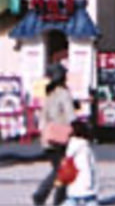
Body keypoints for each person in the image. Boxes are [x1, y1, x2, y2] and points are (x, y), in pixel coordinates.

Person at [33, 63, 75, 206]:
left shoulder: (49, 93)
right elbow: (70, 116)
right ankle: (56, 199)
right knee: (64, 170)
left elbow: (44, 116)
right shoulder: (64, 93)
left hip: (48, 137)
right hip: (61, 138)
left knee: (58, 169)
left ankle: (43, 195)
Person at [59, 119, 99, 205]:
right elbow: (87, 167)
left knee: (72, 201)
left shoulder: (72, 145)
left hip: (73, 184)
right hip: (85, 185)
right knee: (90, 202)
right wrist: (90, 183)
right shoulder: (84, 146)